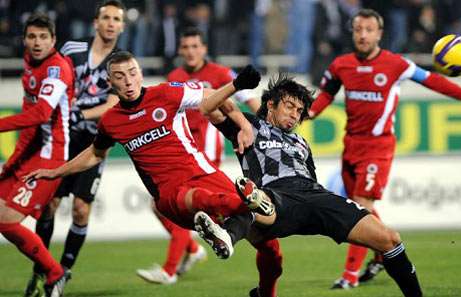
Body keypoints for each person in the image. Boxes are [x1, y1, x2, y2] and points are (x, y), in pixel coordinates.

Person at [24, 51, 283, 296]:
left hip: (204, 173)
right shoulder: (111, 121)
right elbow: (95, 153)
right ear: (109, 81)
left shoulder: (167, 93)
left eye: (132, 72)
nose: (128, 81)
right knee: (203, 198)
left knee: (271, 248)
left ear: (140, 73)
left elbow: (210, 97)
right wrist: (56, 172)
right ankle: (251, 204)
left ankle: (256, 273)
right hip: (170, 193)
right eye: (120, 76)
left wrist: (242, 120)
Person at [308, 8, 461, 289]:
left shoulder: (396, 64)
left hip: (378, 147)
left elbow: (432, 80)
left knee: (360, 206)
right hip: (351, 145)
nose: (363, 35)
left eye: (369, 30)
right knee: (359, 207)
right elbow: (324, 97)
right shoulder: (340, 65)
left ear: (379, 34)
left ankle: (350, 275)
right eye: (358, 29)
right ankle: (384, 252)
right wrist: (305, 114)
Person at [193, 74, 423, 297]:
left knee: (390, 239)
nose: (295, 115)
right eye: (289, 106)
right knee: (257, 203)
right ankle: (227, 237)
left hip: (313, 195)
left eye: (299, 111)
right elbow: (208, 106)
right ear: (271, 105)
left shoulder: (301, 143)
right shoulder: (249, 126)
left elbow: (311, 180)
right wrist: (236, 85)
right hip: (275, 195)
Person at [136, 26, 261, 285]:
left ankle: (170, 269)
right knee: (163, 206)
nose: (191, 52)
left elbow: (250, 99)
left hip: (207, 151)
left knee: (187, 203)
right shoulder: (175, 75)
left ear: (204, 49)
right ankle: (194, 249)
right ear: (180, 50)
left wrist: (260, 127)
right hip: (182, 152)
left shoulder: (220, 73)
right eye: (186, 47)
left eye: (195, 46)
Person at [27, 0, 125, 292]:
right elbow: (52, 76)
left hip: (95, 144)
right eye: (105, 17)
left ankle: (63, 272)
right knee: (48, 206)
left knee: (81, 210)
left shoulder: (122, 63)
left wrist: (79, 112)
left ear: (121, 26)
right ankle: (41, 268)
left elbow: (113, 103)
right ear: (95, 22)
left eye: (116, 19)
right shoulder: (71, 50)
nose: (110, 23)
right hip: (63, 139)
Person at [0, 13, 74, 297]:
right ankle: (51, 271)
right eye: (32, 37)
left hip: (50, 158)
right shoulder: (29, 65)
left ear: (54, 40)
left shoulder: (56, 69)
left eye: (43, 37)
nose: (37, 42)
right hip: (31, 154)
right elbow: (30, 121)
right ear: (24, 41)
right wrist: (13, 161)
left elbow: (41, 114)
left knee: (7, 221)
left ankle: (55, 273)